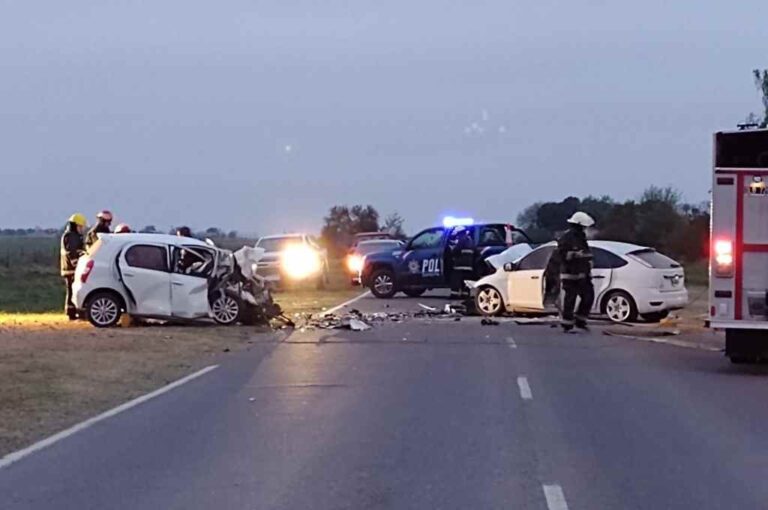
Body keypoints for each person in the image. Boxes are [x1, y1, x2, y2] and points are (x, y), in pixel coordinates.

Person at [557, 212, 595, 332]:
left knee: (588, 296)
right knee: (570, 299)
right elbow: (561, 255)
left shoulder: (581, 237)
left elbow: (586, 252)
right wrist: (574, 254)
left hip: (582, 273)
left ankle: (580, 320)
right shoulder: (566, 238)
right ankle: (567, 324)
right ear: (578, 225)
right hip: (570, 273)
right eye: (584, 226)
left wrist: (588, 259)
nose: (585, 228)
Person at [60, 213, 87, 320]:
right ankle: (71, 313)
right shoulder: (71, 237)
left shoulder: (70, 235)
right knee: (72, 290)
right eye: (80, 227)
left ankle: (71, 311)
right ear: (75, 225)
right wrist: (77, 264)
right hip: (70, 269)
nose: (82, 229)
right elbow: (72, 253)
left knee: (71, 290)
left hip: (68, 268)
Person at [449, 227, 475, 298]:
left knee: (456, 280)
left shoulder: (461, 240)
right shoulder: (470, 240)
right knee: (466, 281)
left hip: (460, 265)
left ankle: (454, 294)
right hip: (468, 265)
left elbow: (456, 250)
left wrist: (452, 250)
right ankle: (465, 295)